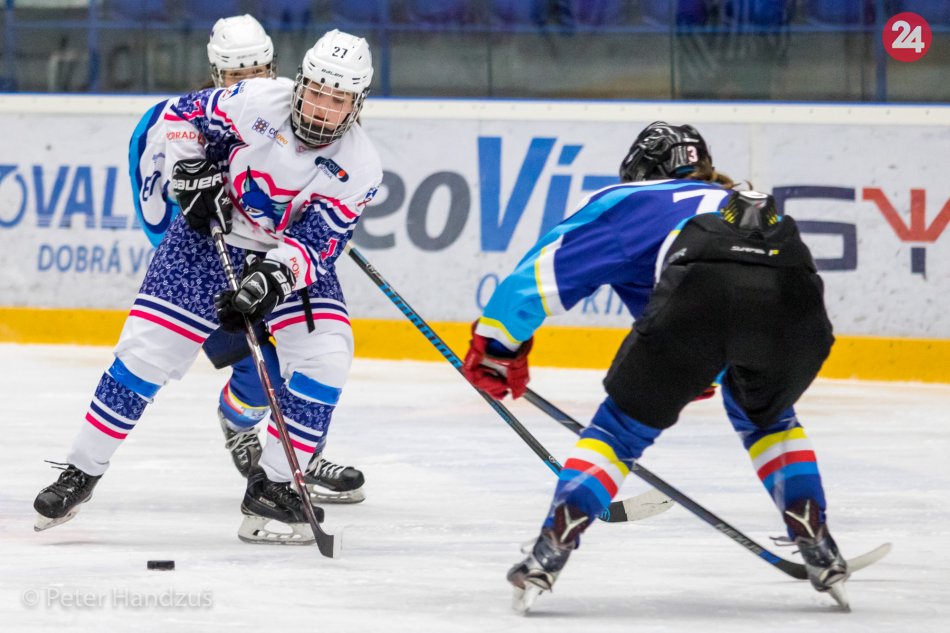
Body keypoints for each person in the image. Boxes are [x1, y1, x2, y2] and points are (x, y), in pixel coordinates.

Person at [462, 122, 847, 611]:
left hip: (705, 297)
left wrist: (497, 348)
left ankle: (550, 551)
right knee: (769, 418)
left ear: (641, 169)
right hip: (800, 310)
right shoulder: (736, 200)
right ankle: (816, 537)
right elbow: (749, 292)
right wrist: (704, 364)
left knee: (618, 432)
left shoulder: (632, 200)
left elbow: (541, 277)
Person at [34, 28, 381, 545]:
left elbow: (317, 244)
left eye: (337, 100)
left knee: (327, 354)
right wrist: (189, 172)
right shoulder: (256, 100)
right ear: (300, 83)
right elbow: (182, 116)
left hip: (282, 256)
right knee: (143, 355)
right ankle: (80, 472)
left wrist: (273, 278)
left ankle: (275, 487)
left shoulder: (360, 166)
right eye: (315, 92)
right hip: (205, 243)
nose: (321, 108)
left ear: (357, 104)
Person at [130, 14, 365, 504]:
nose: (251, 82)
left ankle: (303, 457)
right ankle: (239, 423)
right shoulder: (179, 121)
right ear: (217, 72)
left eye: (260, 71)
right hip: (209, 262)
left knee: (316, 358)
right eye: (238, 75)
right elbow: (156, 210)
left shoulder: (281, 109)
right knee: (264, 375)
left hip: (271, 262)